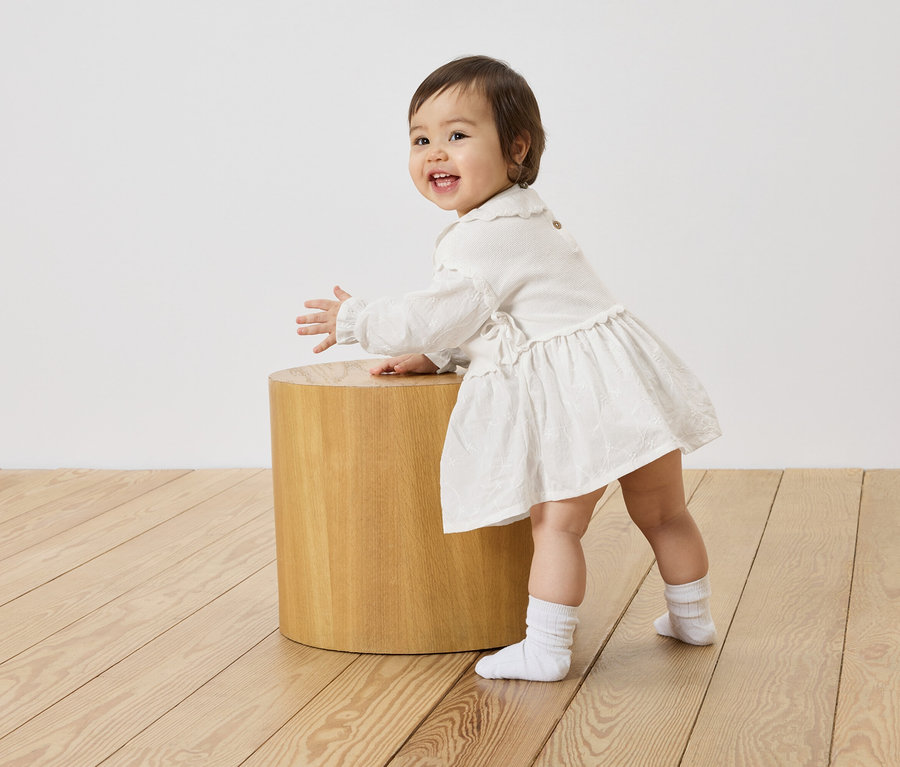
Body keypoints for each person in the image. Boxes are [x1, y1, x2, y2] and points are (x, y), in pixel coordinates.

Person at [296, 55, 722, 682]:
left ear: (516, 148)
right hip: (629, 383)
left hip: (579, 396)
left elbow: (444, 310)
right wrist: (436, 357)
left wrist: (357, 319)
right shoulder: (529, 214)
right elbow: (503, 316)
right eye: (421, 139)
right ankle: (693, 618)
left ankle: (547, 649)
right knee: (663, 512)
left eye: (458, 135)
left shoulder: (479, 237)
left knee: (556, 524)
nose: (435, 153)